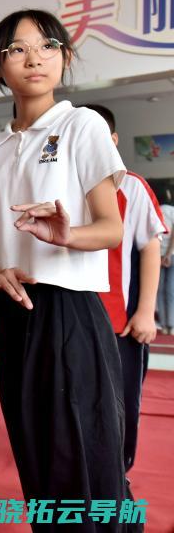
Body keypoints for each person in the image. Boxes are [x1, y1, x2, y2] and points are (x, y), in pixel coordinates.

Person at [0, 9, 136, 531]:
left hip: (70, 313)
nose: (34, 57)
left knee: (84, 450)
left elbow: (110, 228)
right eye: (17, 48)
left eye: (48, 45)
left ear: (64, 57)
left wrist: (67, 235)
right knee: (35, 447)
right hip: (15, 312)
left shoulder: (82, 125)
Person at [84, 104, 166, 472]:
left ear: (113, 140)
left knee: (121, 401)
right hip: (73, 317)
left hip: (120, 320)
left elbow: (150, 245)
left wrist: (146, 311)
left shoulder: (131, 184)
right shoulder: (59, 185)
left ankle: (119, 473)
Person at [159, 194, 174, 335]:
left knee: (160, 290)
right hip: (172, 254)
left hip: (157, 255)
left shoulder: (157, 209)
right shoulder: (173, 211)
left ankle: (163, 325)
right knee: (170, 290)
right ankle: (171, 325)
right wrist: (169, 254)